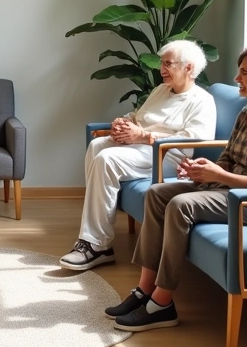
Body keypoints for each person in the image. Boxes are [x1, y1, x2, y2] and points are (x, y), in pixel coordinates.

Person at [107, 45, 247, 332]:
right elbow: (229, 158)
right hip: (230, 191)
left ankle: (162, 304)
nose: (236, 78)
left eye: (244, 73)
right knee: (157, 194)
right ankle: (144, 290)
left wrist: (219, 175)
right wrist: (201, 169)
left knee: (182, 205)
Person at [60, 40, 217, 272]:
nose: (161, 69)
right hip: (142, 148)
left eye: (168, 64)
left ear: (189, 68)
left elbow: (196, 140)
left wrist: (144, 136)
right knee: (97, 146)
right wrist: (122, 123)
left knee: (107, 159)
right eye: (162, 63)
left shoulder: (201, 101)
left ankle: (97, 245)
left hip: (169, 156)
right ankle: (93, 236)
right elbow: (139, 117)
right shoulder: (161, 90)